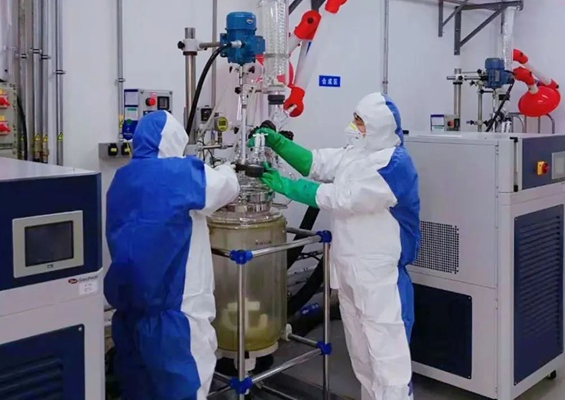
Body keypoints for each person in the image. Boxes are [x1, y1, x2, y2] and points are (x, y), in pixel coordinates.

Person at [253, 92, 420, 400]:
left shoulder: (394, 164)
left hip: (380, 277)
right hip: (349, 271)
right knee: (362, 356)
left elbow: (343, 198)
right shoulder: (357, 153)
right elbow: (317, 163)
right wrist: (278, 143)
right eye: (355, 118)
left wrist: (287, 186)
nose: (353, 125)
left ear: (378, 126)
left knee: (388, 361)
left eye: (360, 121)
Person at [104, 110, 240, 400]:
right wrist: (227, 168)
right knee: (185, 387)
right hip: (176, 312)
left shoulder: (122, 177)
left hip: (130, 309)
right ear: (176, 140)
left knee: (139, 387)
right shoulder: (179, 173)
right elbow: (227, 188)